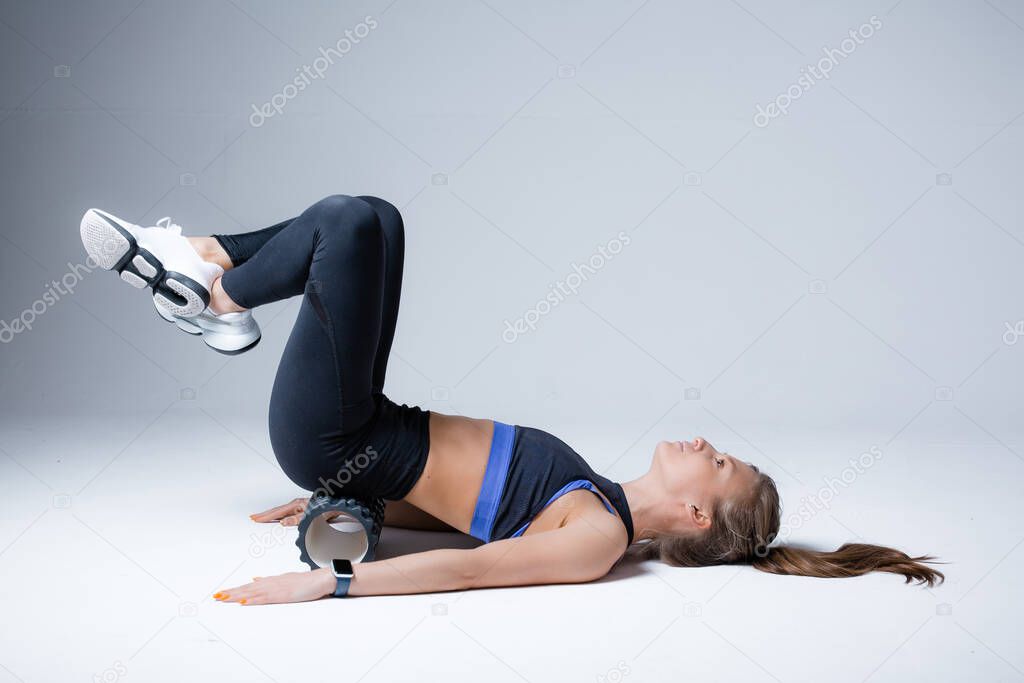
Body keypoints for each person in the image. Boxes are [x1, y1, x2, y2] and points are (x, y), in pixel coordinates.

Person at [80, 195, 944, 605]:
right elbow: (467, 516)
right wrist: (345, 493)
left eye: (718, 463)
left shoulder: (600, 536)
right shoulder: (589, 491)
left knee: (344, 229)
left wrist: (334, 591)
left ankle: (214, 294)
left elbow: (474, 568)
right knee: (376, 220)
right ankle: (206, 277)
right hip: (357, 442)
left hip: (338, 429)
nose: (705, 441)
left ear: (692, 510)